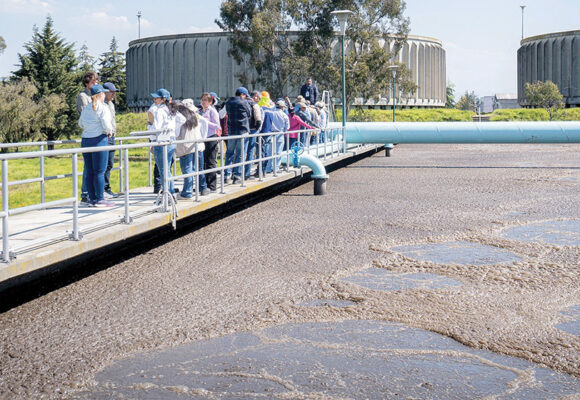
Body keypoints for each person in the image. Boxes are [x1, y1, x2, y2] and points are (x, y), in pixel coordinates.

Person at [78, 84, 114, 207]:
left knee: (89, 171)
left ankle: (92, 199)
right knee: (99, 171)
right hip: (99, 140)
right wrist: (109, 132)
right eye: (103, 93)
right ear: (100, 95)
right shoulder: (103, 108)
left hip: (86, 141)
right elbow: (106, 124)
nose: (105, 95)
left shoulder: (86, 108)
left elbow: (80, 124)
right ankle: (100, 199)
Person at [176, 99, 208, 199]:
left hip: (186, 147)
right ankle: (203, 188)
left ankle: (187, 192)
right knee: (199, 168)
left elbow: (176, 133)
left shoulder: (180, 118)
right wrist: (203, 137)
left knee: (187, 170)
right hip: (198, 145)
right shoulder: (195, 116)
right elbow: (205, 123)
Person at [77, 71, 99, 205]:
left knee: (98, 167)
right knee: (88, 166)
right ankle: (85, 194)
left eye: (96, 81)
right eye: (92, 82)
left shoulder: (98, 95)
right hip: (89, 134)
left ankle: (96, 192)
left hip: (98, 134)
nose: (95, 83)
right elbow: (86, 114)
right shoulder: (83, 96)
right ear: (86, 83)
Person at [149, 88, 177, 197]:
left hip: (162, 142)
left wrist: (149, 127)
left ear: (163, 99)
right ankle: (170, 193)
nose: (154, 99)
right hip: (171, 140)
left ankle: (168, 194)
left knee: (163, 170)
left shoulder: (160, 110)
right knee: (167, 169)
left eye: (157, 98)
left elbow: (156, 128)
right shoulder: (171, 110)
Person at [224, 87, 252, 184]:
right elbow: (249, 114)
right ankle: (237, 176)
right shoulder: (244, 102)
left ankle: (226, 175)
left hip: (231, 131)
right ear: (242, 94)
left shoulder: (228, 102)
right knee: (240, 154)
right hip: (242, 131)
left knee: (229, 153)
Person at [197, 92, 221, 193]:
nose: (203, 102)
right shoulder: (199, 111)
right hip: (202, 138)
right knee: (203, 162)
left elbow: (217, 126)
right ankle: (203, 186)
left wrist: (205, 122)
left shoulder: (212, 111)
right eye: (202, 100)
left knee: (211, 162)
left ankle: (212, 186)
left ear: (210, 102)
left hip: (211, 138)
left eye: (205, 100)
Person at [261, 99, 289, 174]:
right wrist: (284, 131)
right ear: (282, 107)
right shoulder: (284, 115)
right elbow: (287, 126)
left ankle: (268, 168)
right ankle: (276, 168)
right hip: (280, 134)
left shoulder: (271, 113)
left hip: (271, 134)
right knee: (278, 152)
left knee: (270, 152)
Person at [102, 82, 119, 198]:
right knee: (103, 164)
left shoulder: (111, 104)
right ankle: (102, 189)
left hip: (112, 137)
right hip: (104, 137)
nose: (113, 94)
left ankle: (107, 188)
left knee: (109, 164)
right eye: (111, 91)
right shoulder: (101, 105)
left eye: (114, 92)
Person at [244, 90, 264, 179]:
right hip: (252, 130)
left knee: (241, 152)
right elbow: (258, 120)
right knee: (250, 151)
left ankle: (235, 174)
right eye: (258, 98)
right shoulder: (254, 105)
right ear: (255, 96)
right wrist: (256, 128)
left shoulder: (243, 103)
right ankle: (246, 173)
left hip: (243, 130)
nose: (259, 99)